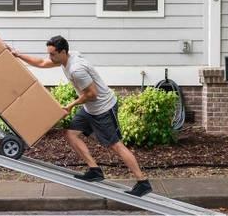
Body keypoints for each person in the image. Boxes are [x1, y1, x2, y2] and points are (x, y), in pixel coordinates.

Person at [9, 36, 152, 197]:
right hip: (89, 108)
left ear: (63, 52)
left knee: (116, 146)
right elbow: (41, 63)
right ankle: (95, 170)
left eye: (53, 54)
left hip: (103, 108)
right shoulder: (66, 58)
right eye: (49, 54)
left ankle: (142, 182)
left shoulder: (76, 70)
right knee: (71, 133)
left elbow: (92, 94)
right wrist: (18, 55)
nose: (50, 58)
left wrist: (70, 106)